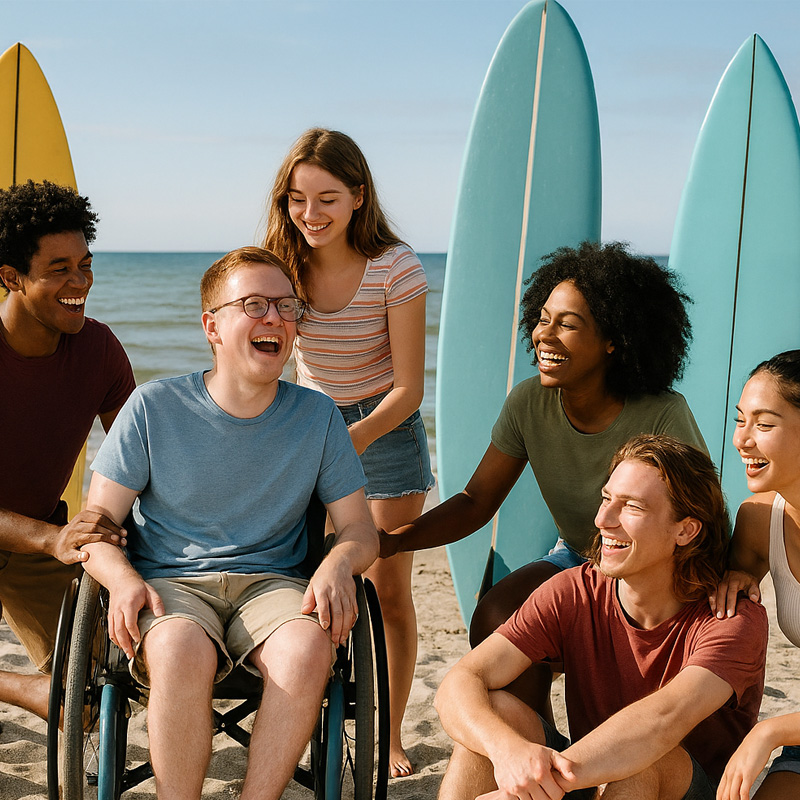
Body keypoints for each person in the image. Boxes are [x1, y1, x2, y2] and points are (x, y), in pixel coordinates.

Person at [81, 246, 378, 800]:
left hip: (273, 587)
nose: (276, 319)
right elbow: (95, 525)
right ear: (212, 326)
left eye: (288, 307)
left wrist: (340, 560)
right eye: (256, 304)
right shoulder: (153, 407)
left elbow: (361, 529)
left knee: (311, 648)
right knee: (177, 650)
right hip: (172, 584)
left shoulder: (317, 416)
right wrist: (121, 580)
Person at [382, 240, 706, 713]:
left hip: (657, 572)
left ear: (613, 339)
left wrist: (729, 574)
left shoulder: (661, 413)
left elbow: (702, 515)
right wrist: (393, 540)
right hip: (578, 556)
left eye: (568, 324)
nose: (544, 335)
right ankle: (538, 742)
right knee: (496, 614)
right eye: (543, 319)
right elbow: (475, 501)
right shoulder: (528, 402)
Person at [435, 434, 767, 800]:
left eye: (632, 507)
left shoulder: (732, 618)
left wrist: (523, 788)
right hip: (587, 781)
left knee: (649, 760)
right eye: (607, 498)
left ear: (685, 530)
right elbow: (460, 682)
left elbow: (660, 723)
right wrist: (507, 753)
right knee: (493, 716)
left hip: (679, 787)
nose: (603, 519)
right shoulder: (573, 590)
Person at [263, 127, 434, 777]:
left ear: (359, 196)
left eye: (328, 198)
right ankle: (307, 710)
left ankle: (387, 736)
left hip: (384, 432)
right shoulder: (283, 264)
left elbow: (410, 389)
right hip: (310, 423)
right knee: (309, 581)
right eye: (298, 200)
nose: (311, 215)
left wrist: (345, 441)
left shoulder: (397, 267)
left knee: (388, 589)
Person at [0, 180, 134, 722]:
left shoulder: (97, 348)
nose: (79, 282)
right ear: (11, 277)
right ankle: (23, 689)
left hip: (37, 541)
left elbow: (139, 453)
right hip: (41, 535)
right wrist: (53, 537)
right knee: (55, 691)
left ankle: (51, 688)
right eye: (58, 269)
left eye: (85, 265)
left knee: (92, 698)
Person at [708, 351, 800, 800]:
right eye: (740, 420)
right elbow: (731, 582)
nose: (742, 440)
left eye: (763, 425)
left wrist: (768, 733)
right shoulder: (760, 521)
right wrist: (735, 580)